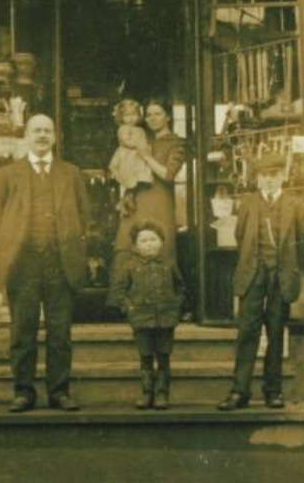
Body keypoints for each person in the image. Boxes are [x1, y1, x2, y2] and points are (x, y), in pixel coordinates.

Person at [0, 113, 90, 413]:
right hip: (23, 264)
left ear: (55, 136)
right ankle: (23, 392)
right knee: (23, 331)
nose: (42, 135)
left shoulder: (71, 173)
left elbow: (84, 215)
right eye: (37, 131)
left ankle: (59, 392)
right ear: (27, 136)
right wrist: (17, 242)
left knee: (60, 333)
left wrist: (67, 241)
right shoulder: (7, 174)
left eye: (48, 130)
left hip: (60, 263)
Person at [217, 153, 304, 411]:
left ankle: (273, 391)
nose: (269, 180)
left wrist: (291, 270)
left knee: (276, 332)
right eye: (264, 176)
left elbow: (302, 241)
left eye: (274, 175)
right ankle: (239, 391)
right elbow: (240, 235)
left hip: (281, 276)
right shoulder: (247, 203)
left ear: (283, 176)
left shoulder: (295, 203)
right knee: (247, 333)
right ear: (257, 178)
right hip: (252, 275)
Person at [109, 98, 187, 305]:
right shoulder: (142, 137)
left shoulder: (176, 142)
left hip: (159, 201)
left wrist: (146, 156)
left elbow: (168, 174)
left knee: (159, 247)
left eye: (158, 114)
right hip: (137, 200)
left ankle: (162, 305)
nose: (152, 118)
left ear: (168, 116)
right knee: (127, 245)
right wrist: (127, 194)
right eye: (149, 114)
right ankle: (124, 304)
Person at [110, 220, 183, 410]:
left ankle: (162, 393)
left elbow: (180, 287)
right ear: (135, 245)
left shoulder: (169, 264)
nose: (149, 244)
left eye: (153, 239)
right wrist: (130, 309)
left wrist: (174, 306)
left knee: (164, 357)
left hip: (165, 319)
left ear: (161, 242)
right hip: (141, 320)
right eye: (143, 241)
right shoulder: (129, 266)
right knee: (146, 357)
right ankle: (147, 393)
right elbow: (119, 291)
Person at [108, 98, 154, 211]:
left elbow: (145, 141)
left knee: (141, 181)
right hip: (128, 156)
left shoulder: (140, 130)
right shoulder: (123, 129)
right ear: (121, 117)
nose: (130, 118)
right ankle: (126, 199)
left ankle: (129, 199)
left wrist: (147, 147)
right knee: (130, 180)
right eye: (127, 116)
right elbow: (125, 141)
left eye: (133, 115)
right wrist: (136, 145)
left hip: (139, 157)